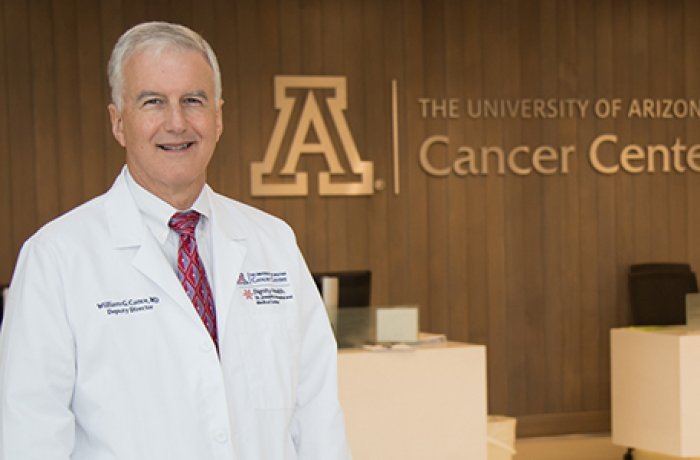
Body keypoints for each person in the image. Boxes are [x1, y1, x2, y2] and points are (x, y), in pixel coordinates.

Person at [0, 21, 351, 460]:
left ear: (218, 117)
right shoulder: (55, 258)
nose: (176, 122)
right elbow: (30, 437)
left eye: (193, 100)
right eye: (152, 102)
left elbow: (316, 415)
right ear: (118, 123)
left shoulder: (273, 242)